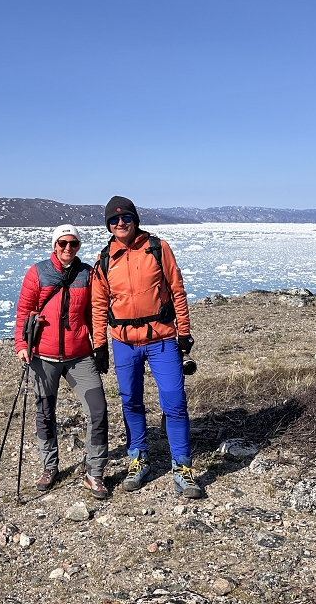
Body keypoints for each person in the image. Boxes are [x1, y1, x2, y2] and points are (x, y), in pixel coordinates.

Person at [91, 196, 203, 499]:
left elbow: (177, 289)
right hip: (124, 342)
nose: (120, 224)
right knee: (131, 401)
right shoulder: (105, 258)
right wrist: (100, 344)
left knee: (175, 401)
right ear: (108, 225)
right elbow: (99, 304)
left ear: (135, 219)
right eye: (113, 220)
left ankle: (182, 466)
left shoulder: (157, 247)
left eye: (125, 218)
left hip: (162, 338)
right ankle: (137, 458)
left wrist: (185, 332)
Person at [13, 224, 111, 500]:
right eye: (63, 243)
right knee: (45, 413)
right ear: (54, 245)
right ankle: (49, 466)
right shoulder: (38, 272)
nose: (68, 248)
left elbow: (96, 314)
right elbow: (24, 311)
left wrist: (100, 346)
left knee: (98, 410)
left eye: (73, 244)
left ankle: (95, 472)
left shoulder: (87, 274)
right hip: (43, 357)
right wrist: (22, 345)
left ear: (78, 246)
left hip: (79, 356)